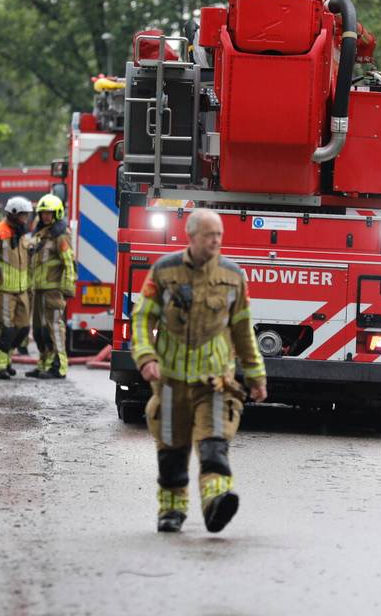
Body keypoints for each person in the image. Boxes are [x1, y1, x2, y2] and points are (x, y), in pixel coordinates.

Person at [130, 208, 267, 534]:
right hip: (170, 383)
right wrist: (145, 356)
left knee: (213, 446)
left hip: (215, 383)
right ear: (191, 236)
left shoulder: (233, 276)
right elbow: (141, 318)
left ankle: (216, 501)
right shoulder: (165, 271)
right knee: (172, 453)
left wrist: (256, 375)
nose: (216, 240)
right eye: (209, 235)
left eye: (219, 235)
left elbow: (243, 329)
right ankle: (171, 510)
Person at [27, 194, 76, 379]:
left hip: (53, 291)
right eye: (43, 213)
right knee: (40, 330)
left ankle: (60, 366)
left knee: (54, 328)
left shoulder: (60, 235)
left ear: (57, 213)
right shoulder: (40, 234)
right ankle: (44, 364)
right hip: (39, 291)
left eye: (49, 213)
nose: (45, 217)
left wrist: (68, 288)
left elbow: (69, 263)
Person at [0, 196, 34, 380]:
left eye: (27, 215)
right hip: (3, 290)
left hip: (22, 290)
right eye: (23, 215)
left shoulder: (21, 233)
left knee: (22, 329)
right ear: (13, 214)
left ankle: (6, 360)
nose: (26, 219)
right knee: (5, 329)